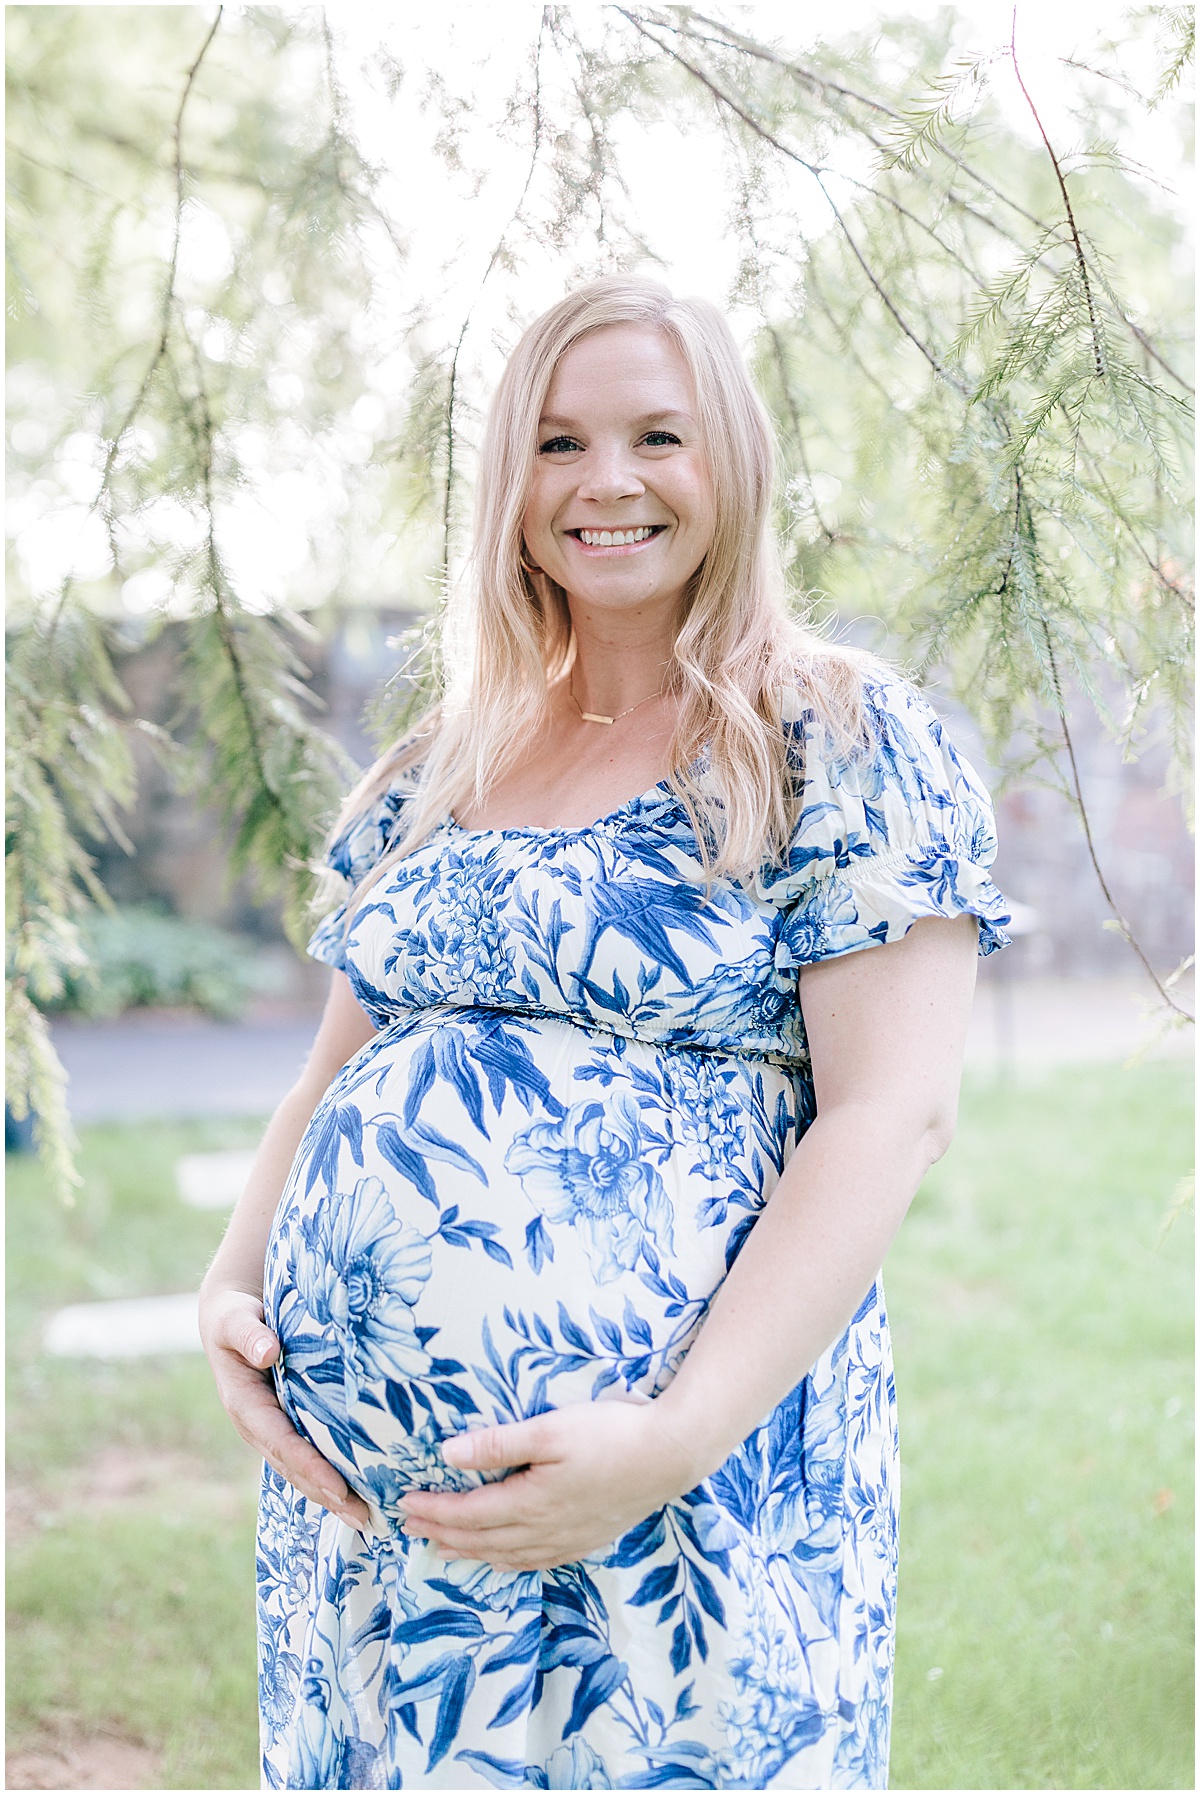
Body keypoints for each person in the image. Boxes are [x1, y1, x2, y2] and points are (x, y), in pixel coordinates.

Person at [200, 275, 1010, 1791]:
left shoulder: (830, 736)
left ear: (737, 467)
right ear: (513, 484)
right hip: (377, 1536)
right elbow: (334, 1069)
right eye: (560, 444)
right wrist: (234, 1292)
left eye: (658, 435)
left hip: (678, 1500)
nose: (609, 482)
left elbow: (886, 1116)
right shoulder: (441, 762)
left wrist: (676, 1435)